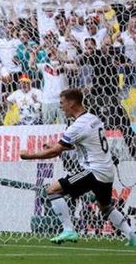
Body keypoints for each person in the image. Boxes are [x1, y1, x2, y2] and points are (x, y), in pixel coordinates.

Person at [20, 89, 136, 246]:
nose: (61, 107)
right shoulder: (93, 119)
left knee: (52, 190)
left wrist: (29, 156)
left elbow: (55, 152)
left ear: (72, 103)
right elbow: (84, 143)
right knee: (105, 207)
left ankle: (68, 230)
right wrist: (56, 146)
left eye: (62, 103)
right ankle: (131, 235)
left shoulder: (78, 126)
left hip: (94, 171)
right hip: (107, 171)